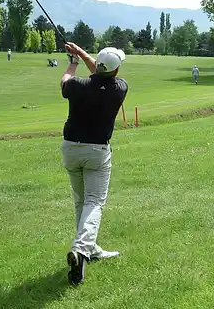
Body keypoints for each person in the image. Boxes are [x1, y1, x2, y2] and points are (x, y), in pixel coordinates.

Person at [60, 42, 128, 286]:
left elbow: (65, 80)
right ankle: (81, 248)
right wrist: (82, 54)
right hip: (97, 151)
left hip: (71, 148)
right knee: (94, 202)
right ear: (116, 71)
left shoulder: (78, 85)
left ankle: (89, 249)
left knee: (81, 201)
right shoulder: (120, 88)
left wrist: (74, 60)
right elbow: (101, 75)